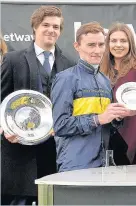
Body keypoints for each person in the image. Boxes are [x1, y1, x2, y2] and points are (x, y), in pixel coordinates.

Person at [1, 6, 74, 205]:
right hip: (18, 151)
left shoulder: (69, 63)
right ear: (35, 27)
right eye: (46, 25)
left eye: (56, 27)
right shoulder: (13, 59)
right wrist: (4, 128)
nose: (51, 30)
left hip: (54, 151)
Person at [51, 22, 129, 172]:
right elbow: (60, 125)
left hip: (105, 163)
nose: (97, 50)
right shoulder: (66, 78)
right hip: (75, 164)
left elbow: (106, 123)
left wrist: (118, 117)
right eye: (91, 45)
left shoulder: (105, 80)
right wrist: (97, 119)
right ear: (77, 46)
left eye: (101, 45)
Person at [100, 22, 136, 165]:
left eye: (123, 41)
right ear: (107, 44)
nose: (118, 45)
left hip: (130, 143)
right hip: (101, 142)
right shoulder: (100, 70)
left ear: (130, 44)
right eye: (114, 41)